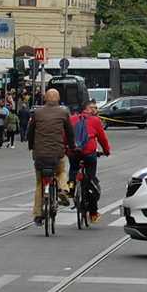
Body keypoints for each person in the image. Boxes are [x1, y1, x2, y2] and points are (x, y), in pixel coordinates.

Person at [25, 87, 75, 225]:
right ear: (58, 99)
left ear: (45, 98)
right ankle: (63, 189)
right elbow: (70, 132)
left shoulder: (37, 112)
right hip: (56, 153)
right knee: (60, 171)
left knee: (40, 183)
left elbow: (30, 132)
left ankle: (38, 214)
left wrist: (31, 146)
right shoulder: (64, 112)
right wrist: (72, 146)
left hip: (40, 155)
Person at [70, 100, 111, 222]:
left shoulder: (72, 119)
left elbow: (66, 135)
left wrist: (67, 148)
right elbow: (102, 138)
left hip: (74, 152)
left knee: (73, 168)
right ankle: (93, 213)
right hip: (89, 153)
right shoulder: (95, 120)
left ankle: (71, 186)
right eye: (93, 108)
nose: (95, 110)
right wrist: (107, 151)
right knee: (91, 181)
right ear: (88, 108)